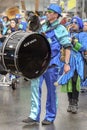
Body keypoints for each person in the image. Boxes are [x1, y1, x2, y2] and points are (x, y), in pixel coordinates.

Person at [22, 3, 72, 125]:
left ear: (56, 15)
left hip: (52, 65)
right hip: (39, 63)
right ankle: (34, 115)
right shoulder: (43, 26)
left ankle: (50, 116)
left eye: (50, 12)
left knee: (51, 91)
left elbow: (67, 47)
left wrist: (67, 64)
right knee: (34, 88)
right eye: (47, 11)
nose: (47, 13)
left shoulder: (61, 29)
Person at [59, 16, 87, 114]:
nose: (73, 24)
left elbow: (84, 47)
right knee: (68, 81)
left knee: (75, 81)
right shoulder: (68, 33)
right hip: (68, 60)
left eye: (76, 22)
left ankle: (75, 103)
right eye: (72, 22)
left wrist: (74, 43)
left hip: (77, 61)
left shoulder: (83, 34)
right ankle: (70, 103)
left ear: (79, 24)